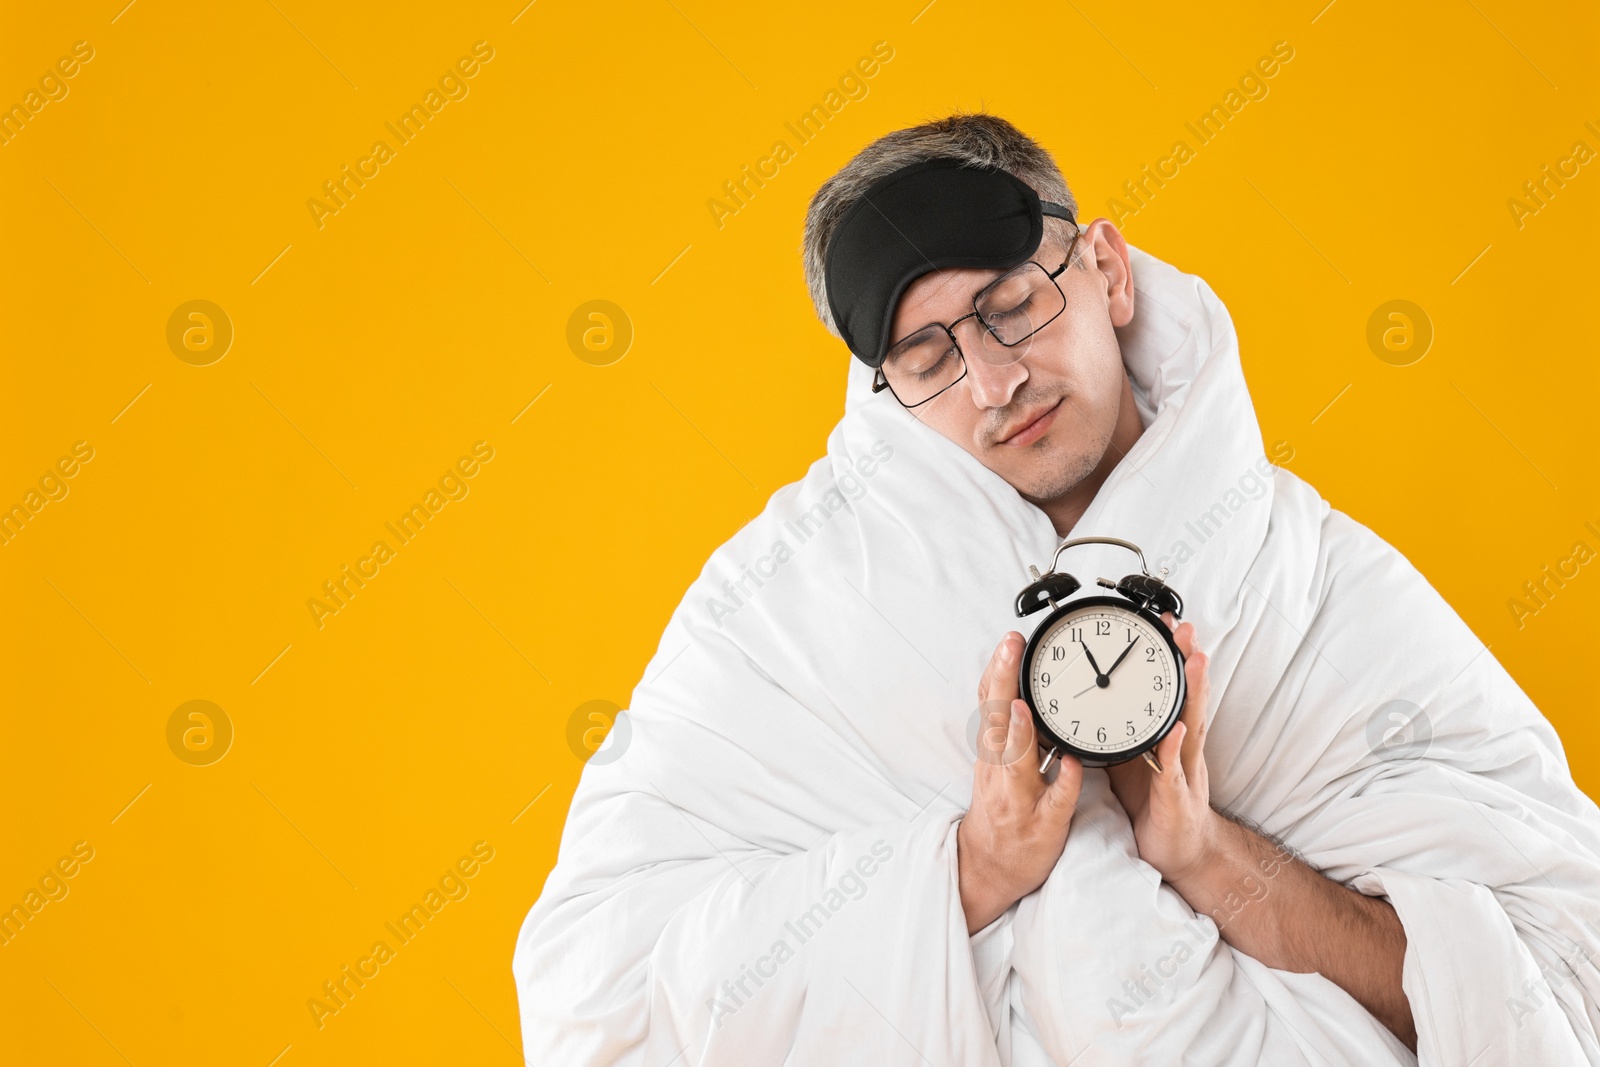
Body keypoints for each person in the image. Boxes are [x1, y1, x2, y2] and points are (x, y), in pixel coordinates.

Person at [515, 113, 1600, 1065]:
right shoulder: (783, 606)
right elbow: (592, 998)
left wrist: (1208, 854)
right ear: (885, 391)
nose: (994, 382)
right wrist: (971, 869)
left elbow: (1560, 985)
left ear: (1108, 272)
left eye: (1009, 307)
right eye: (928, 356)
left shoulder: (1316, 582)